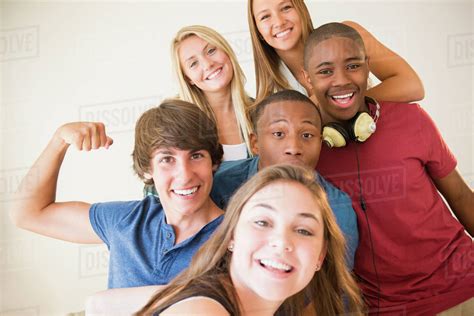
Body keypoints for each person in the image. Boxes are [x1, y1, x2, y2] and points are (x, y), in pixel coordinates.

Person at [303, 22, 474, 315]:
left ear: (368, 67)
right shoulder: (307, 151)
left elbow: (459, 195)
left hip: (464, 287)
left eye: (353, 65)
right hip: (381, 308)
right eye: (325, 71)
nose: (341, 80)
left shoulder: (411, 118)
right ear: (307, 79)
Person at [9, 99, 225, 289]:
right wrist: (59, 140)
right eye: (167, 159)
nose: (184, 175)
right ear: (147, 169)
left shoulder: (237, 237)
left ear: (214, 162)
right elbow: (27, 214)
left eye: (196, 156)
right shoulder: (127, 221)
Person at [137, 164, 365, 316]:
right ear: (231, 235)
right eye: (262, 222)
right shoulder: (202, 310)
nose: (281, 241)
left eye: (304, 230)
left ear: (320, 256)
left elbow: (101, 303)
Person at [210, 89, 359, 270]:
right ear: (255, 143)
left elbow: (338, 288)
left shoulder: (337, 208)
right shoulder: (219, 184)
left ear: (320, 143)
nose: (294, 148)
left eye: (307, 135)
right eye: (279, 134)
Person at [247, 0, 425, 104]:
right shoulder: (268, 98)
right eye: (265, 16)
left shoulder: (347, 35)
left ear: (300, 9)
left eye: (286, 7)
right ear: (258, 31)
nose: (279, 21)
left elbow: (412, 86)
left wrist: (343, 102)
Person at [172, 25, 254, 161]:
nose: (207, 64)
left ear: (227, 51)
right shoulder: (177, 124)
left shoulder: (261, 112)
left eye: (211, 51)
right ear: (188, 78)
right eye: (193, 64)